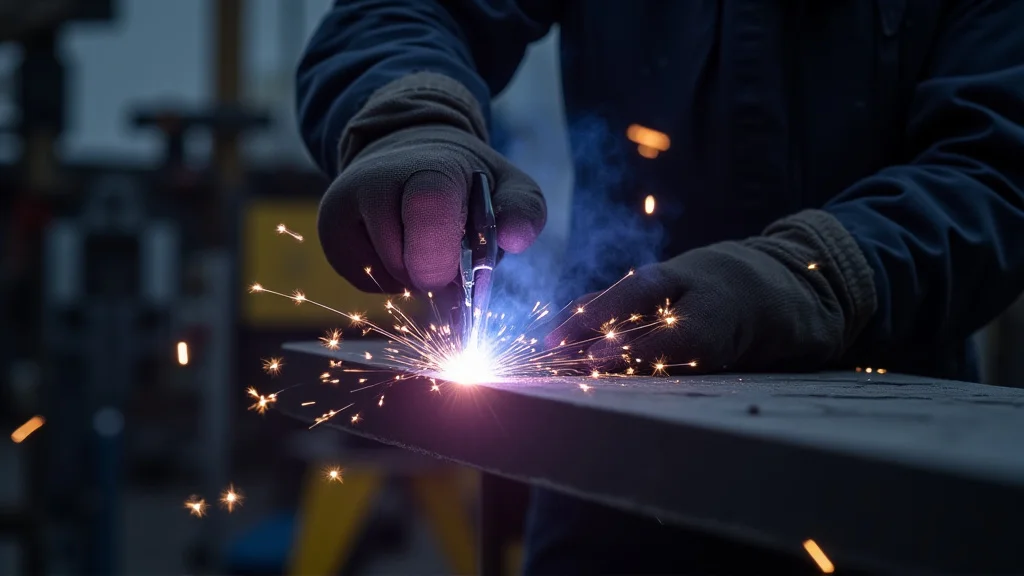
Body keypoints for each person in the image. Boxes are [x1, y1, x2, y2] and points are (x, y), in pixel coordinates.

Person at [297, 1, 1024, 572]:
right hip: (606, 457)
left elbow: (999, 163)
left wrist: (816, 274)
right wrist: (411, 118)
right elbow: (405, 7)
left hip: (895, 469)